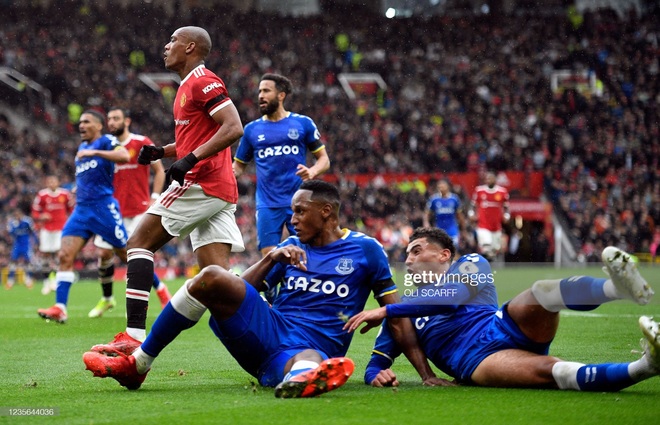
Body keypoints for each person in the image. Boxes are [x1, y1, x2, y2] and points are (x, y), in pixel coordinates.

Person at [82, 180, 428, 398]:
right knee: (212, 276)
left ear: (327, 212)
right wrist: (272, 257)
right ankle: (139, 364)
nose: (292, 219)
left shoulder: (366, 251)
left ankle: (302, 380)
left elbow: (394, 315)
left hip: (314, 346)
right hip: (269, 329)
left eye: (300, 212)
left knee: (308, 359)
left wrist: (421, 374)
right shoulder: (291, 246)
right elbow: (236, 291)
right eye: (292, 212)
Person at [344, 227, 660, 392]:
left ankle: (617, 288)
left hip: (502, 325)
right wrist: (378, 375)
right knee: (556, 371)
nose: (408, 259)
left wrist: (386, 310)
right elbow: (376, 363)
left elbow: (452, 298)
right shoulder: (403, 310)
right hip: (476, 360)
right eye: (406, 254)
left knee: (542, 292)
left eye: (416, 250)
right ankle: (646, 366)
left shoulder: (472, 263)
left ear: (443, 255)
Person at [87, 26, 245, 351]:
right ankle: (272, 342)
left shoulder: (203, 80)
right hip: (219, 188)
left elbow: (234, 127)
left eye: (173, 41)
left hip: (201, 180)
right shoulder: (186, 87)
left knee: (138, 242)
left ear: (190, 47)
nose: (166, 46)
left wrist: (189, 161)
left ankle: (133, 339)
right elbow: (197, 137)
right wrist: (163, 151)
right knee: (217, 280)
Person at [37, 110, 130, 323]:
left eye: (86, 121)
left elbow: (124, 156)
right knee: (64, 256)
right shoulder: (82, 148)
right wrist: (77, 189)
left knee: (128, 256)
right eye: (80, 122)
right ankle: (60, 308)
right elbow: (88, 177)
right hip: (81, 210)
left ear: (98, 126)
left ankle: (160, 290)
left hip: (103, 208)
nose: (81, 125)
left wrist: (95, 154)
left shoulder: (106, 140)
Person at [233, 73, 330, 258]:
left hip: (299, 203)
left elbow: (324, 159)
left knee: (307, 254)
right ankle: (271, 288)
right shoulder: (251, 130)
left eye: (266, 91)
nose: (260, 95)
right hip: (267, 204)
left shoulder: (302, 123)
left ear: (281, 95)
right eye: (259, 91)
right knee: (270, 258)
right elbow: (237, 167)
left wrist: (313, 171)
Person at [89, 107, 171, 318]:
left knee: (134, 256)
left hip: (137, 209)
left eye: (116, 118)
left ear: (127, 121)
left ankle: (161, 292)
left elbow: (159, 170)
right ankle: (107, 299)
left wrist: (154, 197)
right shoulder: (107, 146)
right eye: (109, 119)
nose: (112, 122)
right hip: (111, 210)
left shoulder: (140, 141)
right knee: (104, 254)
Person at [31, 175, 74, 295]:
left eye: (54, 181)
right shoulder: (42, 195)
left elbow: (72, 209)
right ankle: (46, 282)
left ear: (58, 182)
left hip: (60, 229)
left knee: (58, 254)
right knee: (45, 254)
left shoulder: (65, 194)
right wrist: (40, 216)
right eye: (49, 181)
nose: (51, 183)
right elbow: (35, 210)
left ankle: (54, 279)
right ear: (46, 183)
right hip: (46, 229)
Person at [468, 171, 510, 261]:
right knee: (486, 246)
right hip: (483, 225)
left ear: (495, 180)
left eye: (490, 178)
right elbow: (472, 205)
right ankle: (484, 265)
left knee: (494, 250)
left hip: (496, 226)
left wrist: (507, 216)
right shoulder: (479, 190)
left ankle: (488, 264)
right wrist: (471, 214)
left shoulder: (502, 191)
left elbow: (506, 207)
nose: (488, 180)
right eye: (487, 178)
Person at [423, 178, 464, 248]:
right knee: (440, 249)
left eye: (442, 185)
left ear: (448, 186)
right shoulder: (434, 199)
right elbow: (427, 213)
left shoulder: (454, 199)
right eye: (439, 186)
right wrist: (426, 223)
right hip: (439, 228)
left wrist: (463, 229)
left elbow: (459, 215)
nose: (440, 187)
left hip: (452, 229)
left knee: (453, 248)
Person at [4, 208, 38, 289]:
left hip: (26, 245)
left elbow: (33, 231)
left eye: (19, 215)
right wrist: (13, 227)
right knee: (13, 262)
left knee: (28, 263)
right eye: (16, 216)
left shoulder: (27, 221)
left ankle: (28, 281)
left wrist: (36, 242)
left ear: (21, 215)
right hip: (17, 245)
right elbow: (10, 233)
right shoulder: (12, 222)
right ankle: (10, 282)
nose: (17, 217)